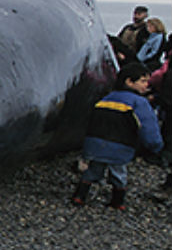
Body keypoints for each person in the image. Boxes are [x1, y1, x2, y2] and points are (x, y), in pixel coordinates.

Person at [70, 61, 163, 210]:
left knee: (93, 171)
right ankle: (117, 201)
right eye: (143, 81)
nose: (147, 85)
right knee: (118, 174)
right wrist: (155, 146)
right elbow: (148, 126)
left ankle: (79, 196)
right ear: (129, 82)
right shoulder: (139, 102)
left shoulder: (105, 99)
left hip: (95, 145)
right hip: (120, 146)